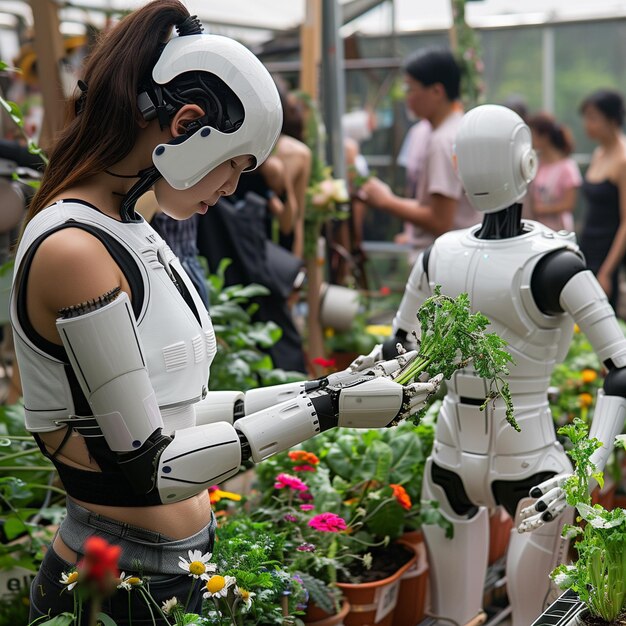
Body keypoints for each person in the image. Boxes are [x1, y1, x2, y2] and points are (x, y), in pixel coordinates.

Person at [9, 4, 441, 623]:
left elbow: (175, 409)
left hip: (160, 574)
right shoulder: (76, 248)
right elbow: (144, 469)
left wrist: (329, 386)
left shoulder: (128, 225)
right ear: (187, 125)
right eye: (236, 164)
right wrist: (327, 411)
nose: (235, 188)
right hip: (116, 588)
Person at [352, 105, 626, 626]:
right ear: (527, 163)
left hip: (524, 465)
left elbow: (621, 369)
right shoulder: (451, 254)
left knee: (530, 615)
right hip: (464, 453)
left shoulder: (550, 262)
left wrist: (589, 469)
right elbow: (398, 348)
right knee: (459, 617)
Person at [361, 48, 480, 258]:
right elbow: (434, 207)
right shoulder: (460, 129)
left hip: (444, 259)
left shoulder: (442, 140)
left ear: (436, 91)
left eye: (410, 89)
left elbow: (440, 221)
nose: (407, 97)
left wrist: (386, 201)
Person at [578, 88, 626, 310]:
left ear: (613, 120)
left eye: (593, 118)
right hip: (589, 246)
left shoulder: (622, 160)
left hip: (609, 255)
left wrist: (607, 272)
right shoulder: (599, 153)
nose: (587, 124)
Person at [526, 112, 582, 232]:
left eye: (533, 135)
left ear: (544, 136)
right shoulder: (536, 163)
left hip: (559, 230)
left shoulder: (567, 167)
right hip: (537, 229)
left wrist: (542, 209)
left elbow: (569, 204)